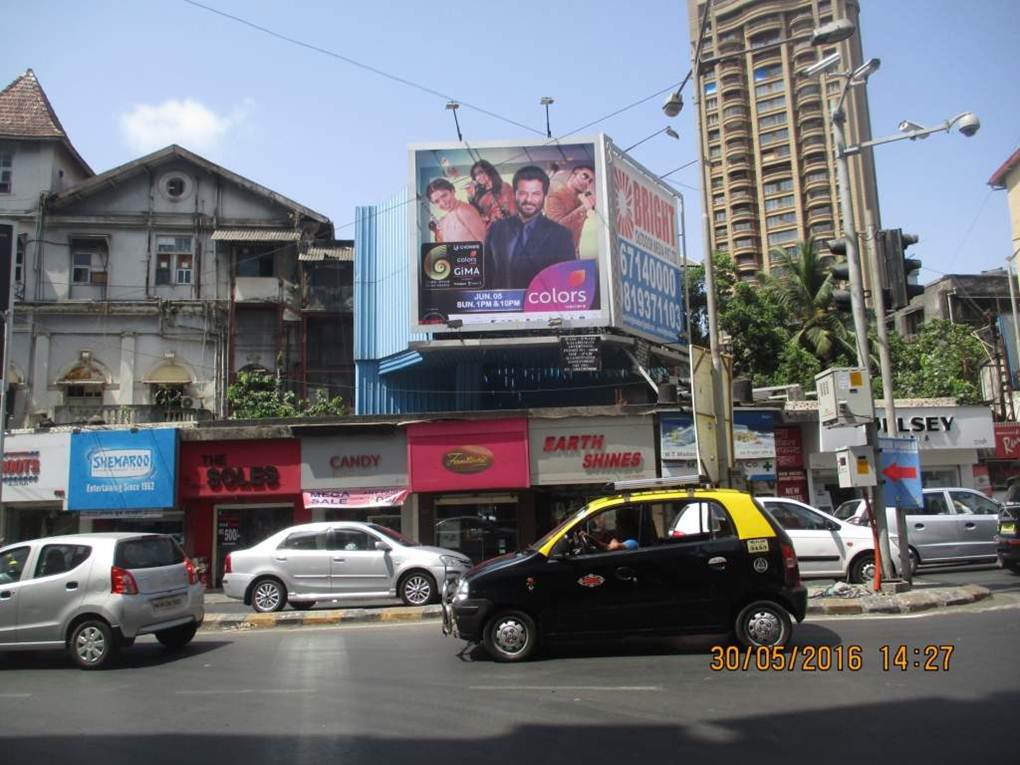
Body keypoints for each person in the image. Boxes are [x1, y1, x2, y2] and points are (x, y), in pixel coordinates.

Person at [483, 165, 575, 289]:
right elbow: (486, 276)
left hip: (540, 305)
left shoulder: (561, 236)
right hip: (501, 305)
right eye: (523, 193)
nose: (529, 199)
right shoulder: (496, 229)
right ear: (514, 194)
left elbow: (566, 285)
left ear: (545, 195)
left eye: (536, 194)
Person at [544, 164, 596, 254]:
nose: (587, 182)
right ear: (573, 175)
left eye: (590, 181)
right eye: (585, 176)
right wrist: (583, 209)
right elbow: (558, 229)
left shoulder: (580, 202)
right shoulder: (555, 197)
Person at [426, 178, 487, 244]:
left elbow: (483, 242)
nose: (443, 203)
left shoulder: (464, 211)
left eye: (444, 195)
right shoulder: (447, 218)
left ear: (452, 191)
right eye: (437, 201)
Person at [467, 160, 516, 228]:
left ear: (489, 171)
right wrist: (471, 197)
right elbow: (478, 217)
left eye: (481, 172)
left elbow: (513, 207)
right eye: (475, 175)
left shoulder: (504, 187)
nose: (479, 177)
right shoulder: (479, 196)